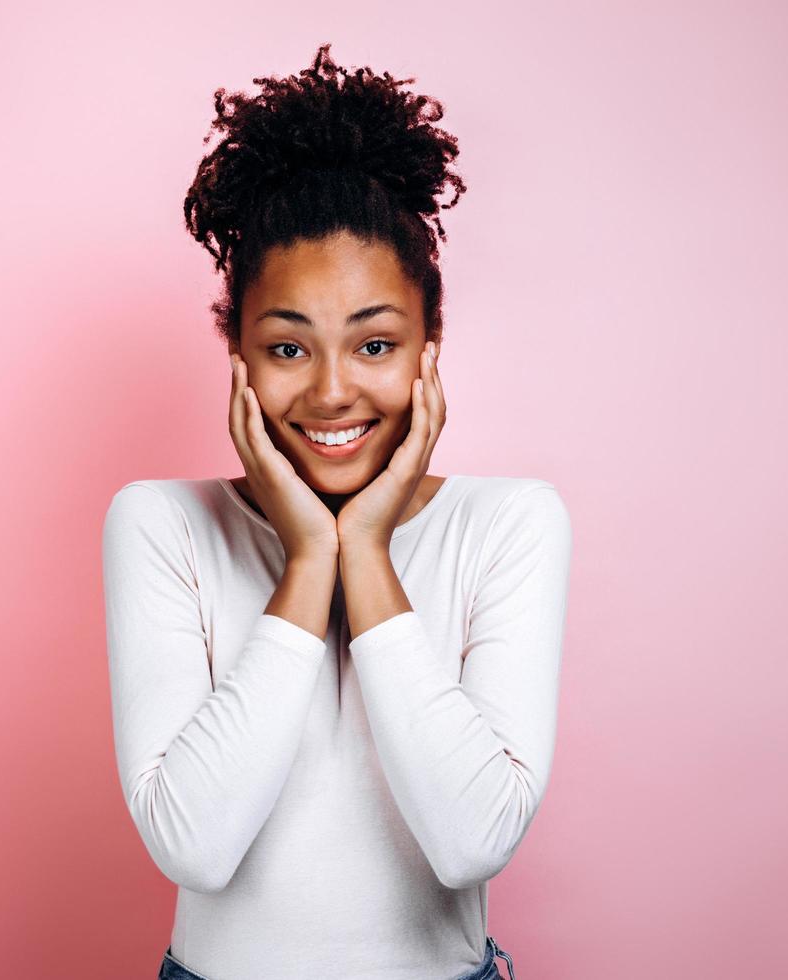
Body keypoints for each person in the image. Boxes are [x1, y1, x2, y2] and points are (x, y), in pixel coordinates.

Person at [102, 43, 570, 980]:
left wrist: (367, 549)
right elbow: (191, 847)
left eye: (374, 344)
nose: (330, 393)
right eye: (286, 349)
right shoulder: (160, 524)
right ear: (233, 348)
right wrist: (310, 557)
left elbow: (472, 841)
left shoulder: (510, 523)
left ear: (428, 347)